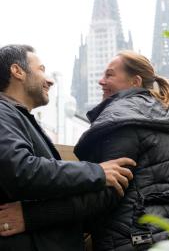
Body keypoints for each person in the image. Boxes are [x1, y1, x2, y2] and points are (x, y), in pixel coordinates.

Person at [0, 50, 169, 250]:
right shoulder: (165, 123)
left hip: (137, 241)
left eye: (110, 75)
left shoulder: (124, 120)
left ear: (135, 82)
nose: (100, 81)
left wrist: (31, 216)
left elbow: (106, 193)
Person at [0, 44, 136, 251]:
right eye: (41, 69)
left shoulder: (16, 116)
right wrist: (97, 172)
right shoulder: (3, 113)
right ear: (17, 71)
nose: (50, 80)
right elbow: (20, 170)